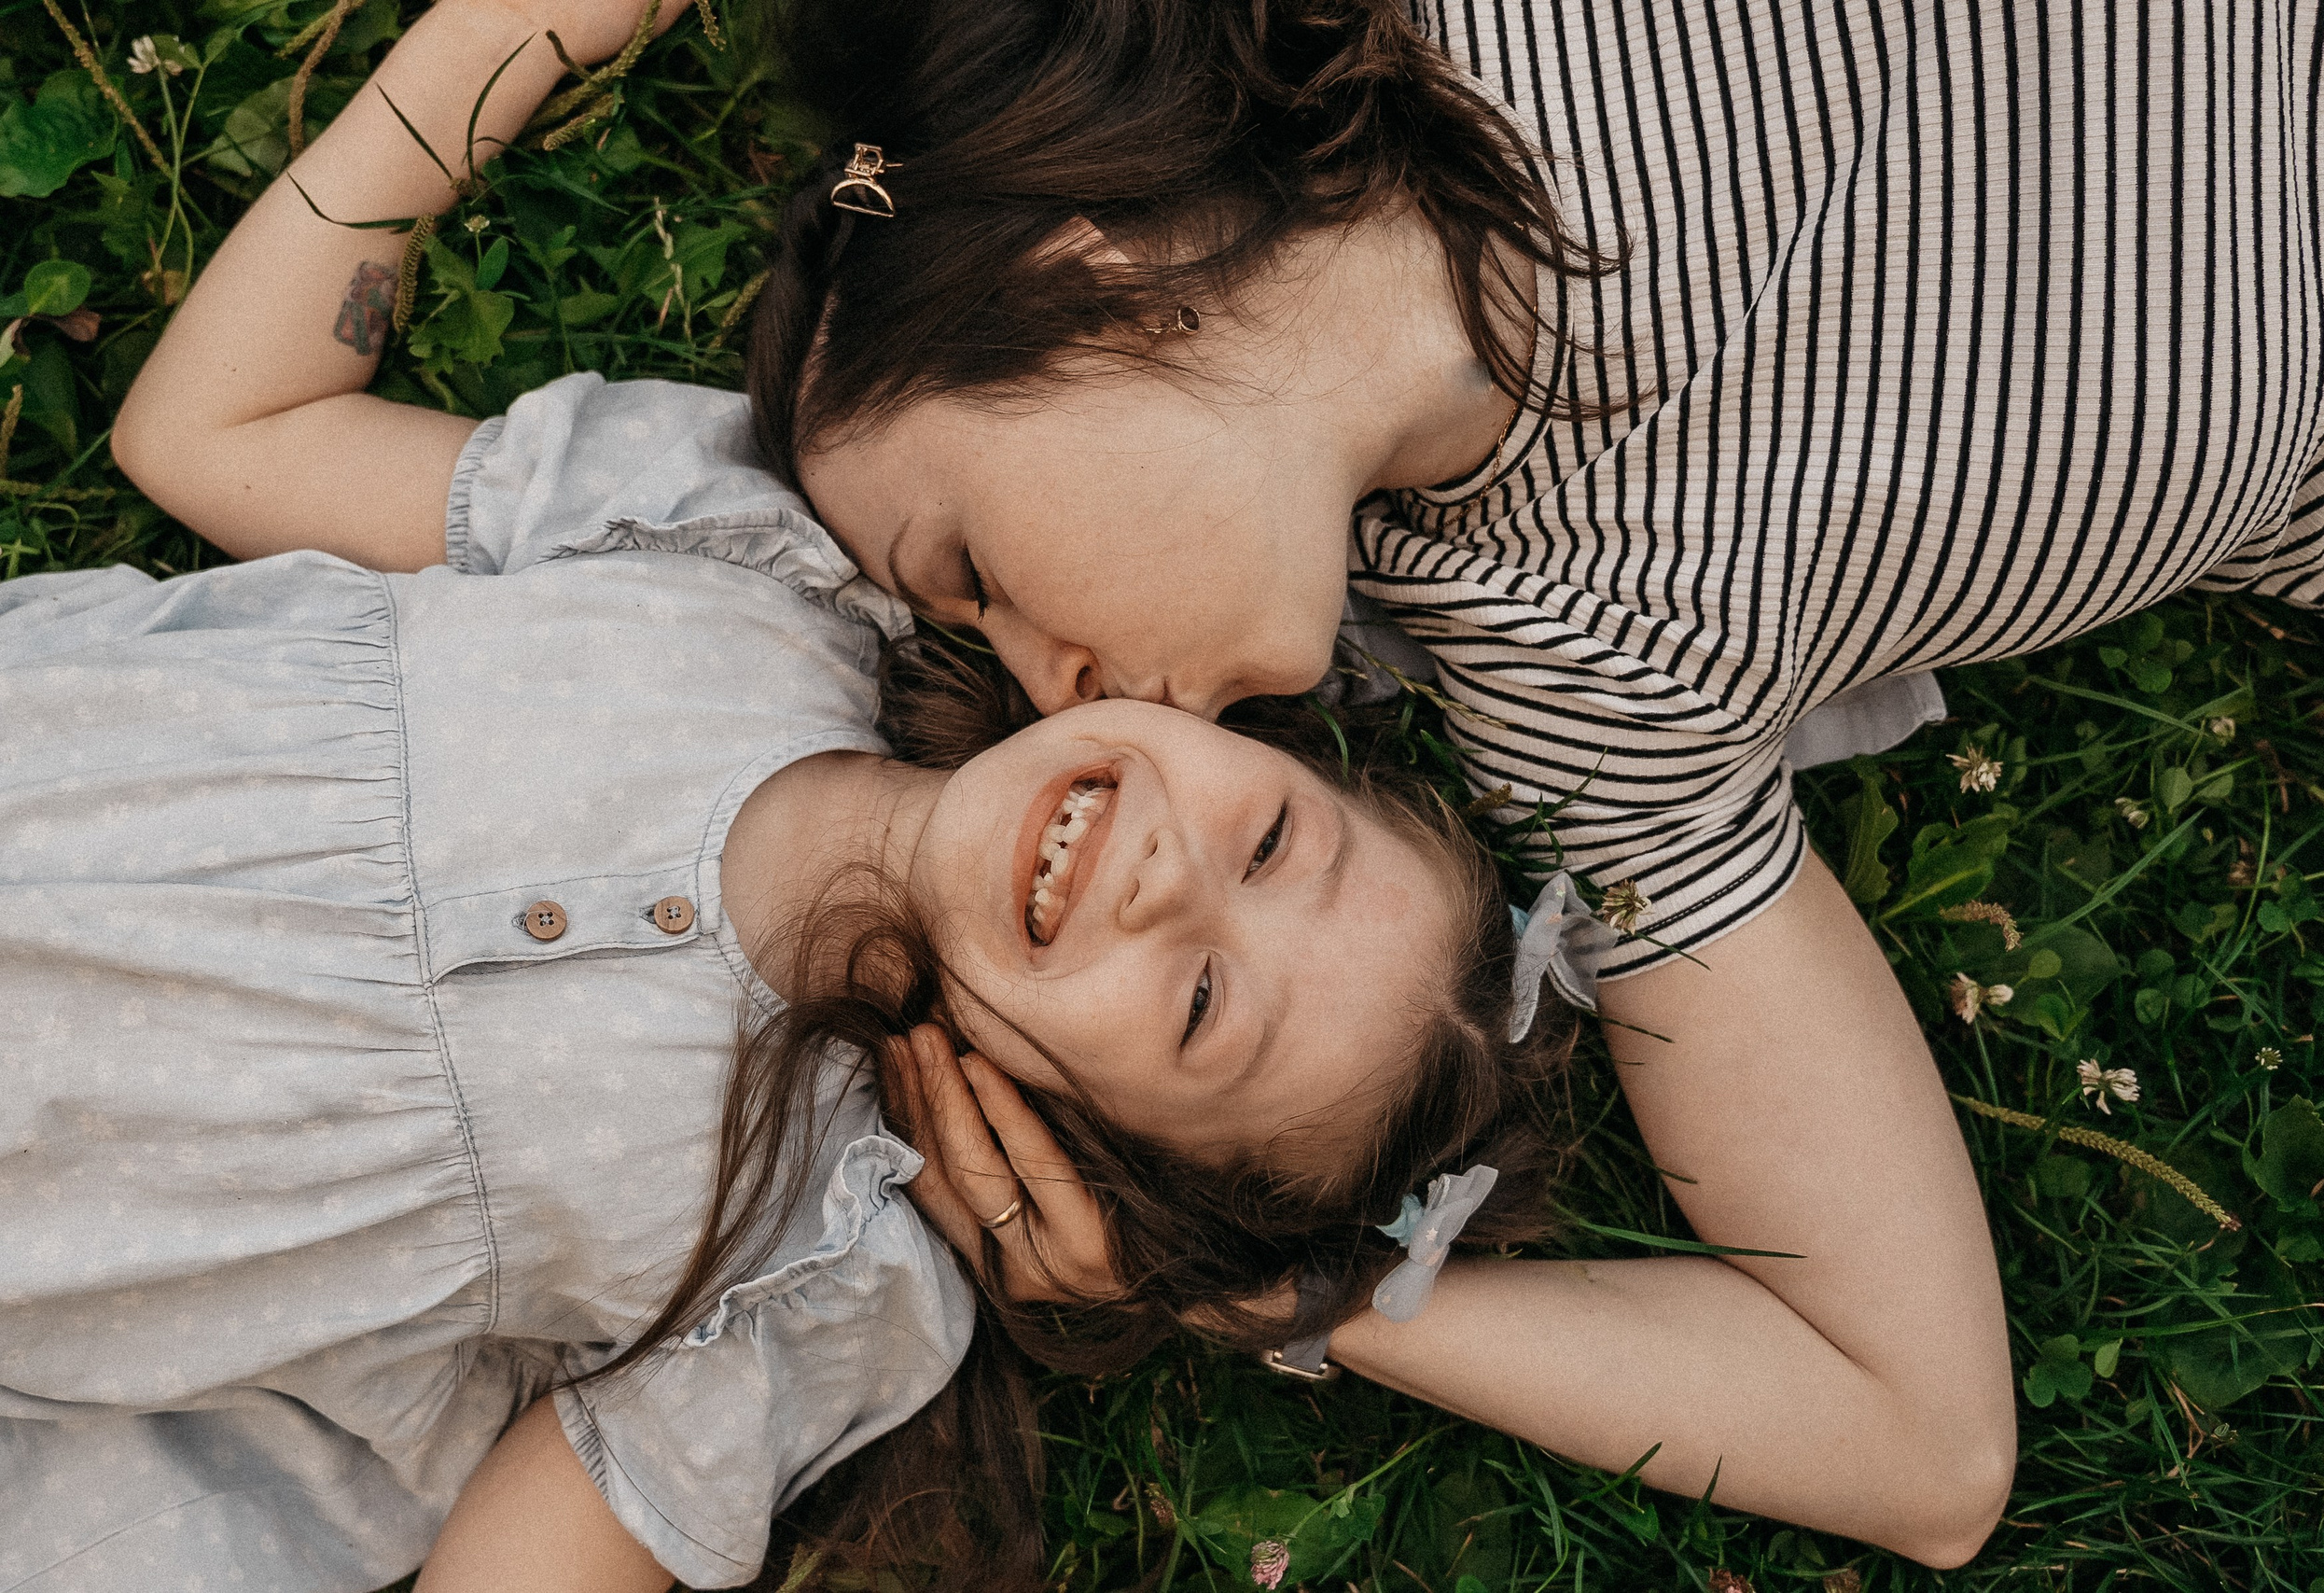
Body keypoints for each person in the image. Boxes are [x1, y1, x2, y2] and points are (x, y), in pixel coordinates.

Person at [741, 0, 2324, 1565]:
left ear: (1083, 286)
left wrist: (461, 119)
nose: (1041, 685)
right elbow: (1922, 1442)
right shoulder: (1582, 681)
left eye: (967, 568)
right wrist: (1249, 1289)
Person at [1, 4, 1573, 1588]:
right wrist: (521, 32)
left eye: (1202, 1004)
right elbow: (214, 429)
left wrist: (1162, 1295)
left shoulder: (831, 1268)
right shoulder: (749, 560)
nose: (1174, 882)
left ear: (1104, 1159)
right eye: (1273, 837)